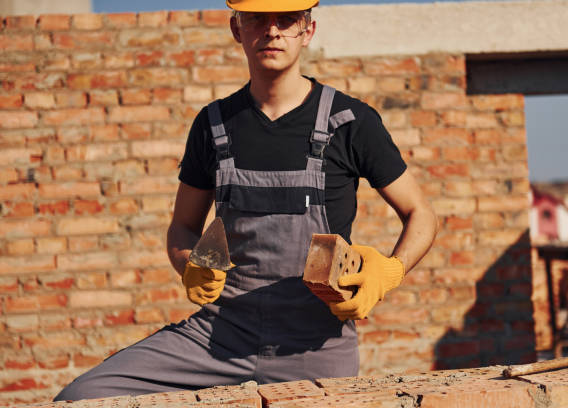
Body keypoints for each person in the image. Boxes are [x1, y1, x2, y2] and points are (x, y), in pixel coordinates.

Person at [54, 0, 437, 401]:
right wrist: (189, 266)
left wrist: (391, 272)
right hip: (217, 338)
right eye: (257, 19)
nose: (272, 31)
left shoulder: (350, 122)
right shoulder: (214, 124)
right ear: (237, 29)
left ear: (308, 31)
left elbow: (421, 215)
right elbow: (182, 227)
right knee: (85, 395)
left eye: (287, 20)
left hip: (316, 347)